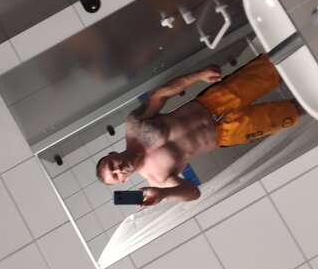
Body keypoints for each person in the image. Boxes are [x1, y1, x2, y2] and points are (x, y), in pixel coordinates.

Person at [95, 54, 303, 206]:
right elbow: (193, 193)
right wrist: (163, 194)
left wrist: (197, 75)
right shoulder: (157, 178)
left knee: (275, 66)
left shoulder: (134, 125)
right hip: (228, 132)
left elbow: (159, 96)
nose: (118, 169)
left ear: (112, 154)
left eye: (112, 165)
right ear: (124, 181)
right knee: (293, 111)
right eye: (116, 176)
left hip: (216, 101)